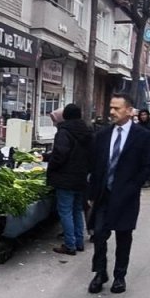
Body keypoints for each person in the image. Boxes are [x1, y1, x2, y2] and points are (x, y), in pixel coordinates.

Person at [87, 94, 150, 294]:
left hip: (126, 198)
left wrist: (131, 187)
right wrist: (91, 193)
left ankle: (119, 276)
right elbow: (95, 166)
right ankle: (100, 273)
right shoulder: (103, 135)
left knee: (124, 238)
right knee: (98, 235)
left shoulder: (141, 136)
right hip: (103, 196)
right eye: (111, 107)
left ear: (129, 110)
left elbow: (147, 168)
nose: (112, 112)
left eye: (116, 108)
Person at [47, 104, 93, 256]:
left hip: (65, 178)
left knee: (65, 211)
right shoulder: (87, 131)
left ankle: (70, 245)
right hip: (81, 178)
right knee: (77, 210)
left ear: (65, 116)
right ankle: (79, 242)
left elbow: (60, 154)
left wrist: (51, 167)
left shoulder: (64, 132)